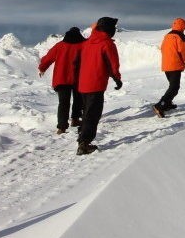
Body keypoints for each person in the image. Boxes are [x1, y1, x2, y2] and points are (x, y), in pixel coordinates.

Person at [76, 17, 122, 155]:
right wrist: (117, 79)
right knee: (93, 114)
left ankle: (82, 136)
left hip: (83, 83)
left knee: (87, 112)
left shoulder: (88, 42)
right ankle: (84, 143)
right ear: (109, 29)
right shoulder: (107, 44)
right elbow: (113, 64)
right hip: (96, 83)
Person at [38, 27, 86, 134]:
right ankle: (75, 119)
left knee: (63, 103)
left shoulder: (60, 45)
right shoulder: (84, 45)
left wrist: (42, 68)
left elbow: (48, 58)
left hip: (61, 78)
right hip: (78, 78)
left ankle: (62, 127)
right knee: (79, 99)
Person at [154, 18, 185, 118]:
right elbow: (183, 51)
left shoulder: (167, 35)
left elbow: (162, 48)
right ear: (182, 26)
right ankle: (160, 105)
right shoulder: (180, 36)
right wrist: (184, 62)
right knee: (174, 88)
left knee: (172, 86)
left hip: (166, 65)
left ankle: (168, 103)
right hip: (175, 65)